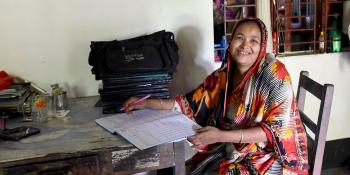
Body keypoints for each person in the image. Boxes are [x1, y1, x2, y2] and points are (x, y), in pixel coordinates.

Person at [123, 18, 309, 175]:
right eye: (239, 38)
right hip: (231, 146)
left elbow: (274, 132)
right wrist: (146, 103)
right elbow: (188, 102)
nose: (245, 45)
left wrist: (221, 135)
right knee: (176, 167)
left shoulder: (274, 74)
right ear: (230, 41)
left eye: (254, 40)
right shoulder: (224, 75)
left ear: (262, 46)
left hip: (267, 157)